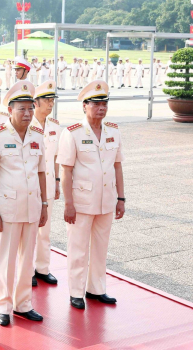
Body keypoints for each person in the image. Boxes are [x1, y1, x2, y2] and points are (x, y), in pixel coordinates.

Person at [0, 80, 48, 327]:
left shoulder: (37, 135)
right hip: (7, 209)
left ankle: (23, 304)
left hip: (32, 207)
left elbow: (41, 172)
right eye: (21, 109)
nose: (27, 114)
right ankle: (4, 305)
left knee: (27, 259)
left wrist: (44, 205)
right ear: (9, 110)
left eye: (30, 108)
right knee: (6, 260)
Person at [57, 79, 125, 310]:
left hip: (106, 201)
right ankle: (76, 292)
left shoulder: (113, 131)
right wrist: (68, 204)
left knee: (100, 248)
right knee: (77, 249)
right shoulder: (72, 133)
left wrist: (121, 199)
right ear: (84, 106)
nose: (101, 108)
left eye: (104, 103)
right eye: (96, 103)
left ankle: (96, 289)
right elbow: (65, 171)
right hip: (82, 202)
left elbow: (117, 166)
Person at [31, 80, 61, 287]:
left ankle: (42, 268)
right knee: (30, 231)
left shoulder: (54, 126)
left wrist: (58, 182)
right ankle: (27, 269)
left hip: (49, 184)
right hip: (31, 186)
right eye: (47, 100)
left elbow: (56, 157)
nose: (50, 104)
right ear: (36, 102)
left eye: (52, 100)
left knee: (45, 231)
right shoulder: (26, 123)